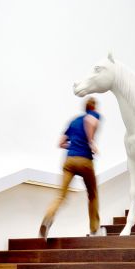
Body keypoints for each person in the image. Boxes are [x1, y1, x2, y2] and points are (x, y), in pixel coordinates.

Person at [39, 97, 104, 238]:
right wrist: (91, 141)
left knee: (61, 196)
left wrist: (73, 145)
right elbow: (89, 121)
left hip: (69, 160)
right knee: (92, 194)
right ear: (92, 107)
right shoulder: (93, 115)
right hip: (84, 160)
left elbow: (61, 143)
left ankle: (47, 219)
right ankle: (94, 229)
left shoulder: (73, 121)